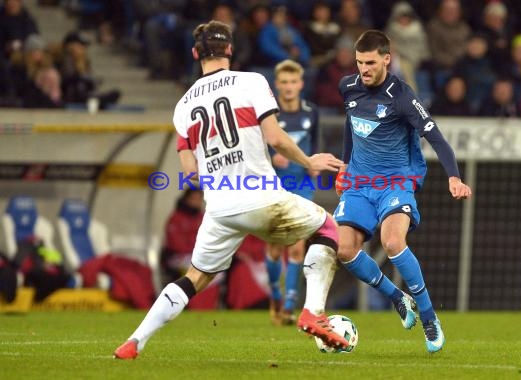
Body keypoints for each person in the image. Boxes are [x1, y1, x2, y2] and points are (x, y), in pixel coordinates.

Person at [114, 20, 347, 360]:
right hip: (260, 195)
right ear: (230, 50)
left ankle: (134, 342)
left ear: (196, 54)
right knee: (327, 227)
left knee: (195, 277)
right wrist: (309, 161)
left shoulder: (183, 107)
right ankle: (312, 311)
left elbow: (190, 171)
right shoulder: (251, 82)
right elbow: (275, 138)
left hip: (220, 209)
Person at [334, 30, 472, 353]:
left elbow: (436, 137)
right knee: (343, 249)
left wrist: (454, 176)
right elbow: (350, 124)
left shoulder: (403, 97)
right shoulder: (348, 87)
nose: (363, 69)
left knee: (393, 241)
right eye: (359, 63)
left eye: (370, 63)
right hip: (358, 182)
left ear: (386, 59)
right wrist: (343, 166)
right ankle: (398, 299)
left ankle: (428, 317)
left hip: (395, 182)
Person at [265, 59, 319, 326]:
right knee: (274, 248)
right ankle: (275, 292)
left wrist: (314, 165)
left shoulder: (311, 112)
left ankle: (288, 306)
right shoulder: (269, 116)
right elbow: (257, 150)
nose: (288, 87)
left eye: (293, 82)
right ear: (277, 85)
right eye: (283, 82)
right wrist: (271, 159)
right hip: (273, 187)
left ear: (300, 84)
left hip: (302, 187)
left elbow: (315, 143)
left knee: (298, 246)